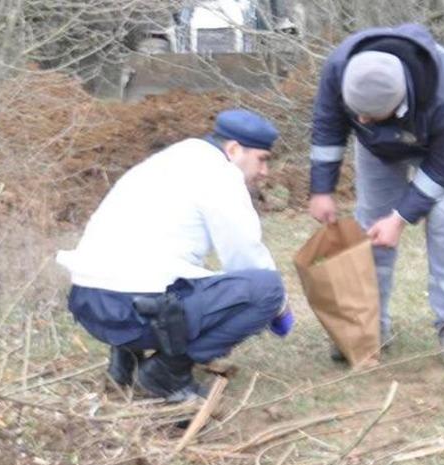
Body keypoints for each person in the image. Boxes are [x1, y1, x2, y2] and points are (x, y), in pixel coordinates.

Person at [56, 109, 294, 402]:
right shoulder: (220, 174)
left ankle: (124, 364)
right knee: (266, 289)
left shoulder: (169, 160)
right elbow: (244, 254)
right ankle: (166, 372)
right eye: (262, 159)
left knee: (161, 269)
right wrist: (278, 306)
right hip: (131, 310)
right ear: (234, 149)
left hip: (90, 303)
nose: (264, 171)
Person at [309, 23, 444, 366]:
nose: (360, 118)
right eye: (356, 112)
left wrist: (400, 218)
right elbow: (328, 125)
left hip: (439, 150)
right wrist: (322, 189)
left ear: (397, 101)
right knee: (372, 227)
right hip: (379, 151)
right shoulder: (340, 67)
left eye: (368, 116)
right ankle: (368, 328)